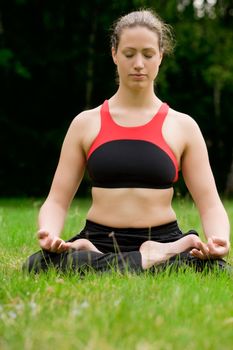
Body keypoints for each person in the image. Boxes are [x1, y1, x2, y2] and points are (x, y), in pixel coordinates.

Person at [23, 9, 230, 274]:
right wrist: (49, 232)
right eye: (129, 54)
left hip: (163, 238)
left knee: (218, 270)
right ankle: (147, 261)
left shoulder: (184, 126)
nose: (139, 64)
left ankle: (136, 256)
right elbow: (57, 201)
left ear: (161, 57)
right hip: (100, 238)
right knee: (37, 266)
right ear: (114, 54)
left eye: (148, 54)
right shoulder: (86, 123)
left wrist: (218, 239)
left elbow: (210, 203)